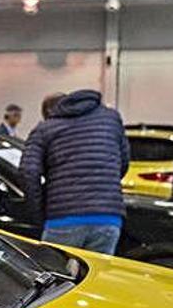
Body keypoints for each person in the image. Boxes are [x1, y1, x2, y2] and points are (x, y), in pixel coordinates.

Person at [19, 90, 130, 255]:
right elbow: (123, 161)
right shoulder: (111, 118)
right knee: (96, 277)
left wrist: (38, 212)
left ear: (49, 112)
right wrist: (103, 184)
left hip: (63, 218)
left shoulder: (45, 128)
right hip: (108, 217)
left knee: (55, 275)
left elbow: (28, 172)